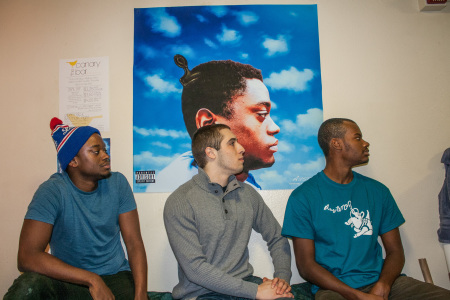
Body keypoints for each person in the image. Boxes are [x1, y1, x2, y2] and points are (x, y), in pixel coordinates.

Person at [282, 118, 450, 300]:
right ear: (336, 144)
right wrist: (356, 296)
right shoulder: (303, 197)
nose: (365, 143)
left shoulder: (378, 191)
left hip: (383, 282)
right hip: (334, 290)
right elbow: (306, 266)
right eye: (358, 137)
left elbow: (395, 251)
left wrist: (383, 285)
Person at [4, 118, 148, 300]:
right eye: (96, 152)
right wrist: (91, 279)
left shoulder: (118, 183)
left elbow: (134, 243)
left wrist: (141, 294)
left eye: (104, 150)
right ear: (73, 161)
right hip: (69, 280)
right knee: (29, 285)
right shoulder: (52, 191)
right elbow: (26, 256)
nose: (105, 155)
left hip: (115, 277)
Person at [163, 124, 292, 300]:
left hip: (244, 283)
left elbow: (277, 237)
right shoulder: (180, 201)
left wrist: (281, 280)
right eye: (232, 143)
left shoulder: (248, 193)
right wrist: (256, 291)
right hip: (202, 293)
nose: (242, 148)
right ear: (211, 153)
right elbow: (195, 269)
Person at [146, 55, 280, 192]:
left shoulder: (246, 186)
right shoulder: (176, 188)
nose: (275, 128)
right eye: (262, 114)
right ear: (208, 123)